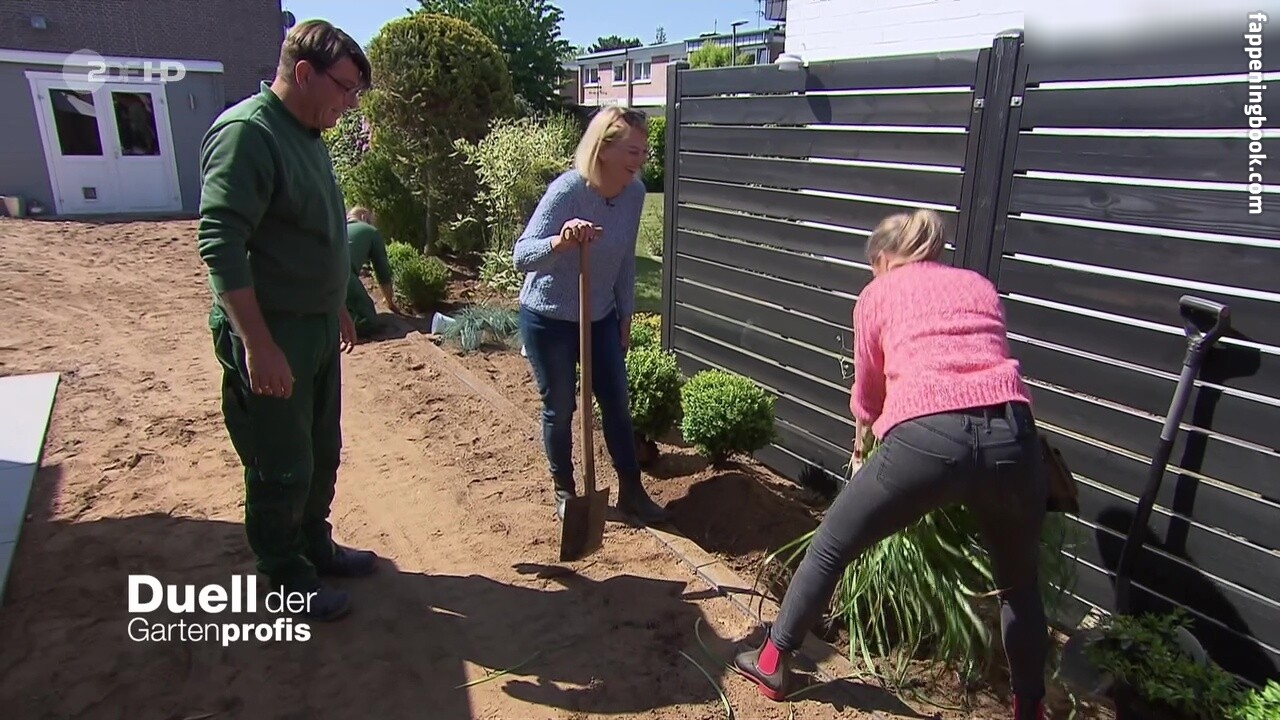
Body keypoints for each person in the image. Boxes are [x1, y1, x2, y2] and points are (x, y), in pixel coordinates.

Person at [733, 209, 1050, 720]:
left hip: (927, 438)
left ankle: (772, 662)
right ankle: (1029, 711)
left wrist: (862, 454)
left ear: (881, 259)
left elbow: (868, 396)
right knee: (1019, 586)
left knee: (830, 545)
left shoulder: (877, 294)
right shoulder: (978, 285)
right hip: (1013, 438)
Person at [195, 19, 379, 623]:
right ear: (303, 73)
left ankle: (314, 546)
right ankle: (284, 575)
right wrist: (258, 344)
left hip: (315, 326)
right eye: (345, 89)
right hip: (274, 331)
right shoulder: (250, 134)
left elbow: (316, 233)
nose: (349, 104)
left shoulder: (308, 134)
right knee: (281, 461)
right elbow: (221, 242)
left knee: (322, 450)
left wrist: (337, 304)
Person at [512, 106, 669, 526]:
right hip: (548, 316)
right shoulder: (568, 191)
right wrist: (561, 242)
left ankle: (632, 492)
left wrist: (625, 316)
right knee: (560, 406)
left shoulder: (635, 194)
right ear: (603, 149)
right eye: (632, 152)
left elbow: (625, 260)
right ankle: (565, 491)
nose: (640, 161)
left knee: (617, 403)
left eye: (643, 152)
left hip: (599, 315)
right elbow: (521, 255)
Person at [344, 206, 399, 338]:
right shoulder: (371, 231)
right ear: (364, 217)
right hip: (342, 274)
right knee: (368, 319)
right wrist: (389, 302)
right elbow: (382, 271)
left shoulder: (338, 228)